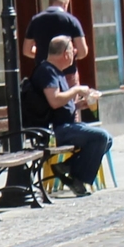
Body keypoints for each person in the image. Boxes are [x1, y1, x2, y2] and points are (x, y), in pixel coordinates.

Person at [30, 34, 111, 196]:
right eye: (72, 50)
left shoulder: (56, 72)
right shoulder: (47, 71)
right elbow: (54, 101)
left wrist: (80, 104)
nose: (75, 53)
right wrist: (77, 90)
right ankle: (76, 177)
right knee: (100, 137)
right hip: (54, 131)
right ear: (65, 54)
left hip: (66, 126)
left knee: (107, 139)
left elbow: (60, 104)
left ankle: (67, 168)